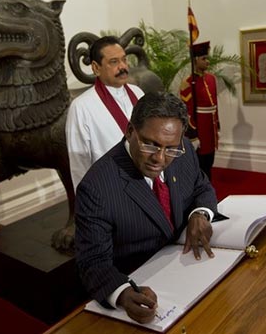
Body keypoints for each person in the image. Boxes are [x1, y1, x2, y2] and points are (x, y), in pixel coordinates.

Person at [75, 92, 218, 324]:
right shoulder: (96, 187)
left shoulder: (182, 152)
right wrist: (122, 294)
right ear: (130, 131)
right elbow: (93, 262)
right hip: (143, 287)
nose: (160, 158)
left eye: (170, 148)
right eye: (150, 145)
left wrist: (199, 213)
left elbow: (202, 187)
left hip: (190, 272)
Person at [66, 36, 144, 189]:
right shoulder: (81, 107)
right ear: (96, 68)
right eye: (114, 62)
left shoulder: (139, 93)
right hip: (111, 188)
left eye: (124, 60)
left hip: (146, 181)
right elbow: (79, 163)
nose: (123, 66)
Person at [179, 41, 220, 180]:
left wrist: (217, 126)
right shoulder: (188, 83)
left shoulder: (211, 79)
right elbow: (187, 111)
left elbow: (215, 105)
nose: (207, 62)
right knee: (200, 164)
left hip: (210, 128)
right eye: (204, 59)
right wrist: (192, 135)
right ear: (195, 60)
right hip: (199, 129)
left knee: (209, 161)